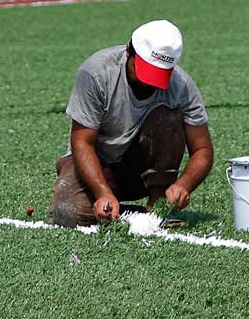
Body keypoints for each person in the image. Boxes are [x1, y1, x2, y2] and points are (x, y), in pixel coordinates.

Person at [50, 20, 214, 227]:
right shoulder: (96, 73)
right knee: (67, 213)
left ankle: (158, 205)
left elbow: (203, 149)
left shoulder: (181, 85)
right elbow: (82, 142)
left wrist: (184, 185)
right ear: (129, 51)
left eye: (158, 74)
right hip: (97, 166)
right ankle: (126, 210)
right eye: (144, 70)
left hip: (141, 170)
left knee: (168, 116)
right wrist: (102, 192)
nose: (148, 82)